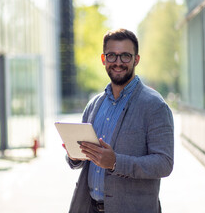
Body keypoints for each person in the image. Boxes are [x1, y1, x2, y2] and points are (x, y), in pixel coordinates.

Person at [63, 28, 174, 213]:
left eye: (125, 56)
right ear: (103, 59)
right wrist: (74, 156)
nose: (118, 62)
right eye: (112, 56)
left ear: (136, 59)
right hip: (89, 207)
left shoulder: (155, 106)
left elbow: (164, 163)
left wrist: (115, 162)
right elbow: (83, 160)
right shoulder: (94, 105)